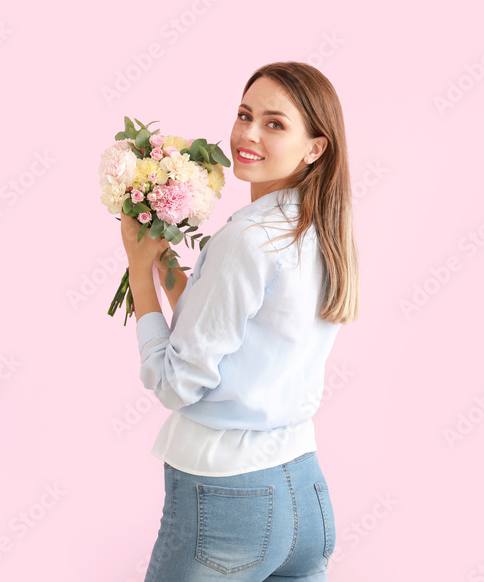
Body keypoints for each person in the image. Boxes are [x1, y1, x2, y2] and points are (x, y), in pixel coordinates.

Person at [120, 61, 360, 581]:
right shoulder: (318, 230)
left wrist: (140, 276)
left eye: (275, 123)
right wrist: (164, 263)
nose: (247, 134)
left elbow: (176, 383)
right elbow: (235, 329)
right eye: (244, 113)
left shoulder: (247, 239)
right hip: (305, 494)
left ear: (315, 147)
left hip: (228, 499)